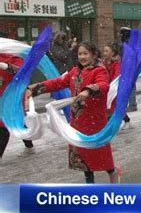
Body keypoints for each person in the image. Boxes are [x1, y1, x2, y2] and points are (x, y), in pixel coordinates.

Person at [27, 41, 121, 183]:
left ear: (94, 55)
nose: (82, 57)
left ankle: (113, 172)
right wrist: (36, 88)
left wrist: (88, 90)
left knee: (100, 155)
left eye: (85, 53)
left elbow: (103, 85)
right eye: (79, 54)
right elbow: (58, 82)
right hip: (78, 123)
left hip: (95, 122)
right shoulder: (74, 72)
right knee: (83, 158)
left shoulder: (99, 70)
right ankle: (90, 188)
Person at [0, 53, 36, 159]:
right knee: (17, 121)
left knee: (3, 124)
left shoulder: (15, 57)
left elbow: (20, 72)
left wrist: (4, 65)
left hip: (12, 96)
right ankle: (28, 143)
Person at [102, 42, 132, 129]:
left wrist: (113, 85)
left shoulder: (116, 63)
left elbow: (117, 75)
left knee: (114, 107)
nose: (105, 53)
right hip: (107, 88)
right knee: (110, 107)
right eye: (104, 51)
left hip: (115, 89)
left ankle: (120, 122)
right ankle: (113, 123)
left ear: (112, 52)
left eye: (107, 51)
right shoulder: (103, 63)